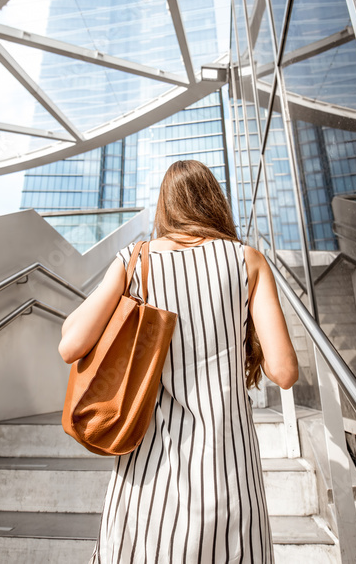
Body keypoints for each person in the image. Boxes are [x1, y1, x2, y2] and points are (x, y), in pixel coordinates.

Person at [58, 159, 299, 563]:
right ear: (215, 202)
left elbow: (71, 346)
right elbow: (285, 372)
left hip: (147, 461)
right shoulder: (248, 260)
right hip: (227, 462)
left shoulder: (136, 259)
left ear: (165, 207)